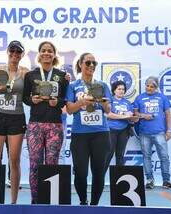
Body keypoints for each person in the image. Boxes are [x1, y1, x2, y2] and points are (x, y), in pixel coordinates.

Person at [23, 41, 69, 204]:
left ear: (54, 54)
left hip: (55, 125)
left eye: (50, 51)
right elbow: (25, 98)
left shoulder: (63, 76)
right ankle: (35, 200)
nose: (47, 53)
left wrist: (57, 102)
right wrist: (32, 99)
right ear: (39, 54)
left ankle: (51, 198)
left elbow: (65, 100)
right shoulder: (30, 75)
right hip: (35, 124)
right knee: (34, 163)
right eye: (43, 50)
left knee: (52, 163)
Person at [66, 53, 112, 205]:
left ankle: (95, 205)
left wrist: (102, 101)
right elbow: (70, 109)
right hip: (80, 134)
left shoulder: (102, 85)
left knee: (99, 172)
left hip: (101, 133)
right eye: (88, 63)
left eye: (94, 63)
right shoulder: (73, 85)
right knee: (80, 172)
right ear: (80, 64)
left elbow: (107, 110)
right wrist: (82, 101)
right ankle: (83, 201)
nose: (91, 65)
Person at [0, 40, 28, 204]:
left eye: (18, 52)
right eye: (12, 51)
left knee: (14, 160)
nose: (15, 54)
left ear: (22, 55)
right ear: (8, 52)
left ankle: (13, 202)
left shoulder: (25, 73)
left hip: (16, 118)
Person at [133, 76, 171, 190]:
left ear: (156, 87)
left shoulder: (162, 98)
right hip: (144, 133)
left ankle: (166, 181)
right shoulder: (139, 98)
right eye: (147, 86)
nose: (149, 88)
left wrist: (169, 130)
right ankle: (149, 180)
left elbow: (168, 115)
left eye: (152, 86)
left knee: (164, 157)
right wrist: (144, 116)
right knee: (147, 157)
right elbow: (135, 113)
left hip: (160, 133)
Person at [106, 81, 138, 166]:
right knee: (108, 154)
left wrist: (134, 118)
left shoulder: (127, 102)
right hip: (111, 130)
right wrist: (124, 116)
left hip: (124, 130)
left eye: (123, 89)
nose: (121, 91)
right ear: (114, 90)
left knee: (120, 155)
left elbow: (130, 117)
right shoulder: (109, 101)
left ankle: (119, 178)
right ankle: (100, 178)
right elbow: (109, 115)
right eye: (119, 89)